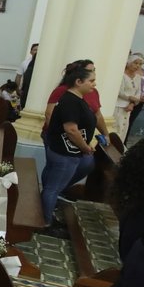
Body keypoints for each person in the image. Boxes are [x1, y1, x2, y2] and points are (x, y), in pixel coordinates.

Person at [40, 64, 97, 230]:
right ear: (78, 82)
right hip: (66, 153)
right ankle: (46, 222)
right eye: (91, 81)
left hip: (62, 151)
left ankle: (45, 214)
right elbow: (71, 129)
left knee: (51, 186)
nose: (94, 84)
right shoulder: (71, 101)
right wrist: (85, 147)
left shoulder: (74, 99)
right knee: (53, 188)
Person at [114, 53, 144, 142]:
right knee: (117, 128)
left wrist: (132, 103)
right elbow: (120, 91)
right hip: (119, 106)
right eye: (135, 63)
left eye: (140, 64)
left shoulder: (138, 77)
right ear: (128, 63)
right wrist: (131, 98)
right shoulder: (122, 76)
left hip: (129, 107)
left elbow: (138, 92)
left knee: (124, 129)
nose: (137, 66)